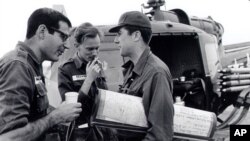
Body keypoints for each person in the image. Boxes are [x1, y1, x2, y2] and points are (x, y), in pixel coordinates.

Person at [0, 8, 82, 141]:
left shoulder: (32, 64)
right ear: (42, 31)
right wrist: (55, 117)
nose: (67, 45)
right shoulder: (18, 65)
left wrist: (58, 111)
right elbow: (8, 138)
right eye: (63, 37)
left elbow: (34, 113)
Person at [109, 11, 174, 141]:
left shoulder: (156, 73)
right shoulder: (131, 69)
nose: (115, 40)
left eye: (119, 34)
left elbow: (160, 135)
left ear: (136, 35)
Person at [58, 22, 116, 141]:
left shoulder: (97, 65)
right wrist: (89, 79)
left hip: (103, 132)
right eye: (89, 49)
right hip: (82, 134)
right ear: (77, 45)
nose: (94, 53)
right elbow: (69, 109)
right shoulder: (66, 69)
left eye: (97, 48)